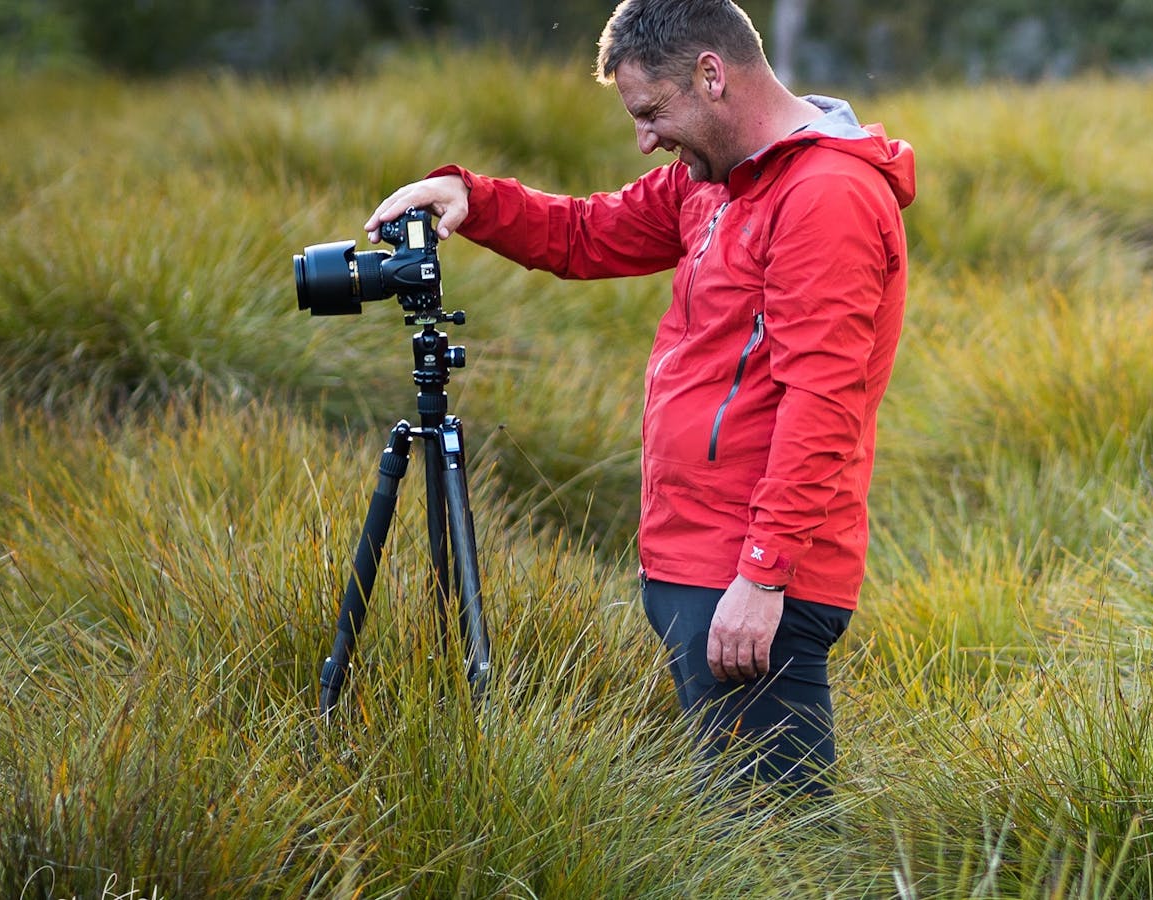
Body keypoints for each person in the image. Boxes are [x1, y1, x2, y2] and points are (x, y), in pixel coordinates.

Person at [364, 0, 914, 796]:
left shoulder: (823, 196)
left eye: (652, 112)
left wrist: (761, 579)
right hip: (699, 562)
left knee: (770, 844)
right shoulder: (716, 184)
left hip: (755, 576)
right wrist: (471, 200)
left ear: (712, 75)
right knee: (740, 829)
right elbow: (587, 233)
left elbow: (821, 405)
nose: (645, 138)